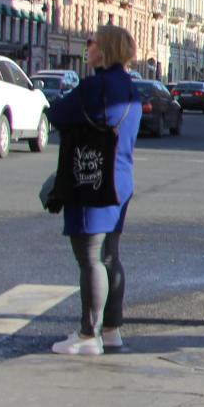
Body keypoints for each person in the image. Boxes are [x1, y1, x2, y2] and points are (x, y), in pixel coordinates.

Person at [47, 25, 143, 356]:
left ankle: (89, 335)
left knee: (90, 258)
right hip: (121, 179)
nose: (87, 47)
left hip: (91, 177)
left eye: (92, 42)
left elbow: (57, 114)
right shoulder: (130, 88)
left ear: (104, 50)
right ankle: (112, 330)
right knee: (110, 255)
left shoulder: (95, 87)